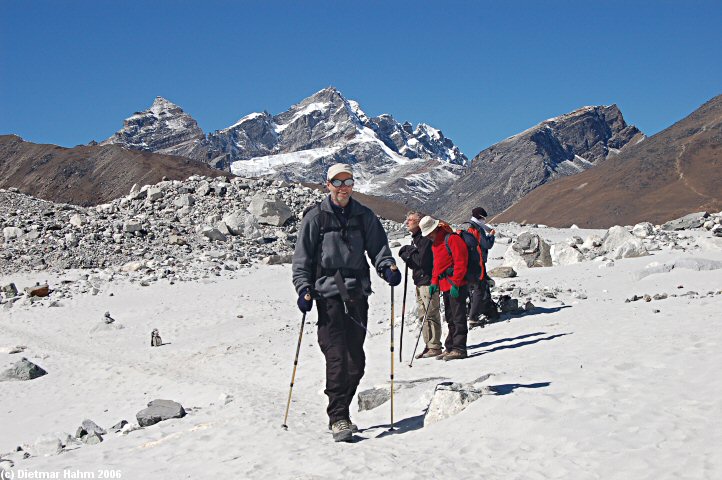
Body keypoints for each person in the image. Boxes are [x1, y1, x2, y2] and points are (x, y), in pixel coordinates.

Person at [292, 163, 401, 442]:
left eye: (348, 182)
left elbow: (378, 248)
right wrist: (303, 289)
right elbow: (302, 259)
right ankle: (338, 416)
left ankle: (343, 407)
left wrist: (387, 266)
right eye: (337, 183)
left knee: (357, 362)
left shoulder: (364, 216)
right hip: (327, 295)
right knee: (337, 356)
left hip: (357, 295)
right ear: (327, 185)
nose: (343, 188)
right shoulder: (315, 218)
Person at [419, 215, 469, 361]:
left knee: (458, 317)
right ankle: (450, 347)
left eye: (429, 233)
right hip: (445, 285)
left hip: (456, 285)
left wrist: (456, 283)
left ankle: (460, 349)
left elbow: (461, 262)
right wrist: (434, 282)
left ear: (435, 229)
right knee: (450, 317)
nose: (428, 236)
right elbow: (437, 266)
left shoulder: (452, 239)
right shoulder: (435, 244)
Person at [398, 211, 442, 358]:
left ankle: (434, 345)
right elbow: (416, 261)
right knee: (424, 314)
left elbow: (421, 262)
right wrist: (409, 252)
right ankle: (429, 344)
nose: (407, 222)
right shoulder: (418, 239)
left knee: (431, 314)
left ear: (419, 223)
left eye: (410, 220)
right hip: (420, 281)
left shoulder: (424, 239)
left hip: (428, 281)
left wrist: (407, 252)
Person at [466, 207, 500, 328]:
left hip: (469, 263)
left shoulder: (468, 227)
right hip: (478, 262)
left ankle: (473, 310)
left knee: (474, 288)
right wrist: (491, 236)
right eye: (484, 218)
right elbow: (487, 244)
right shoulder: (477, 229)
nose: (485, 221)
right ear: (480, 217)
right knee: (481, 287)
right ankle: (478, 313)